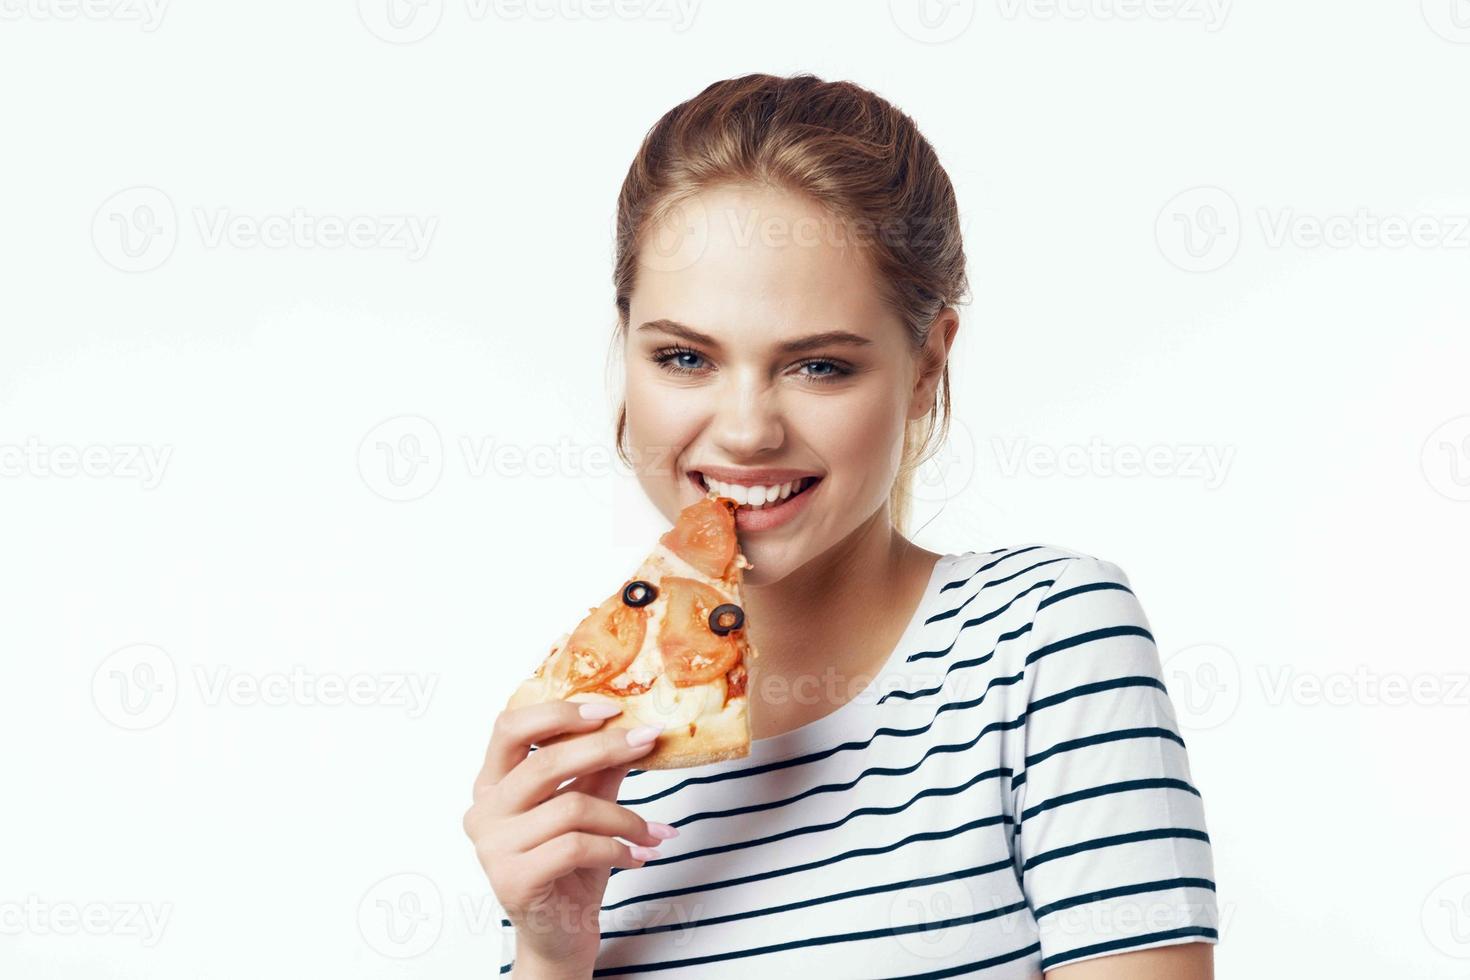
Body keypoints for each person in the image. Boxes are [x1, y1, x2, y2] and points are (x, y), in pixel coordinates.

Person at [463, 72, 1218, 978]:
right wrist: (551, 950)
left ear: (927, 366)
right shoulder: (591, 763)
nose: (746, 430)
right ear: (624, 349)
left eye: (818, 366)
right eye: (684, 357)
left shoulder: (1042, 642)